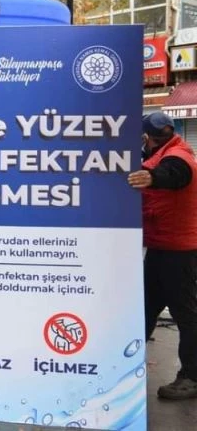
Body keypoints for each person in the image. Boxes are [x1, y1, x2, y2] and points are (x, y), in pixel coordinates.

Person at [128, 111, 197, 400]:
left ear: (147, 136)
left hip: (178, 251)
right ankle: (126, 364)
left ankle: (192, 377)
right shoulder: (158, 153)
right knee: (144, 307)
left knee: (186, 314)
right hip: (161, 247)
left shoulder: (177, 156)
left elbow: (176, 174)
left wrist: (153, 177)